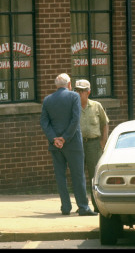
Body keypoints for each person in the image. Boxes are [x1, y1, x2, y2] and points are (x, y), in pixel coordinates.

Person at [40, 73, 98, 216]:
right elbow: (75, 120)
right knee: (78, 175)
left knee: (60, 176)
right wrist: (64, 138)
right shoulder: (74, 97)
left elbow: (44, 122)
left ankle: (65, 207)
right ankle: (83, 207)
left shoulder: (47, 100)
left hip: (55, 145)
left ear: (56, 85)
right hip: (73, 143)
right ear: (69, 84)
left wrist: (55, 139)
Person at [75, 79, 109, 212]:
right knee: (79, 175)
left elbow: (105, 123)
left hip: (94, 144)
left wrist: (103, 141)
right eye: (77, 90)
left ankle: (96, 205)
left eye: (82, 91)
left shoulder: (96, 106)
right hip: (78, 144)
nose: (79, 93)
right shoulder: (73, 107)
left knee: (94, 176)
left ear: (88, 92)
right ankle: (83, 206)